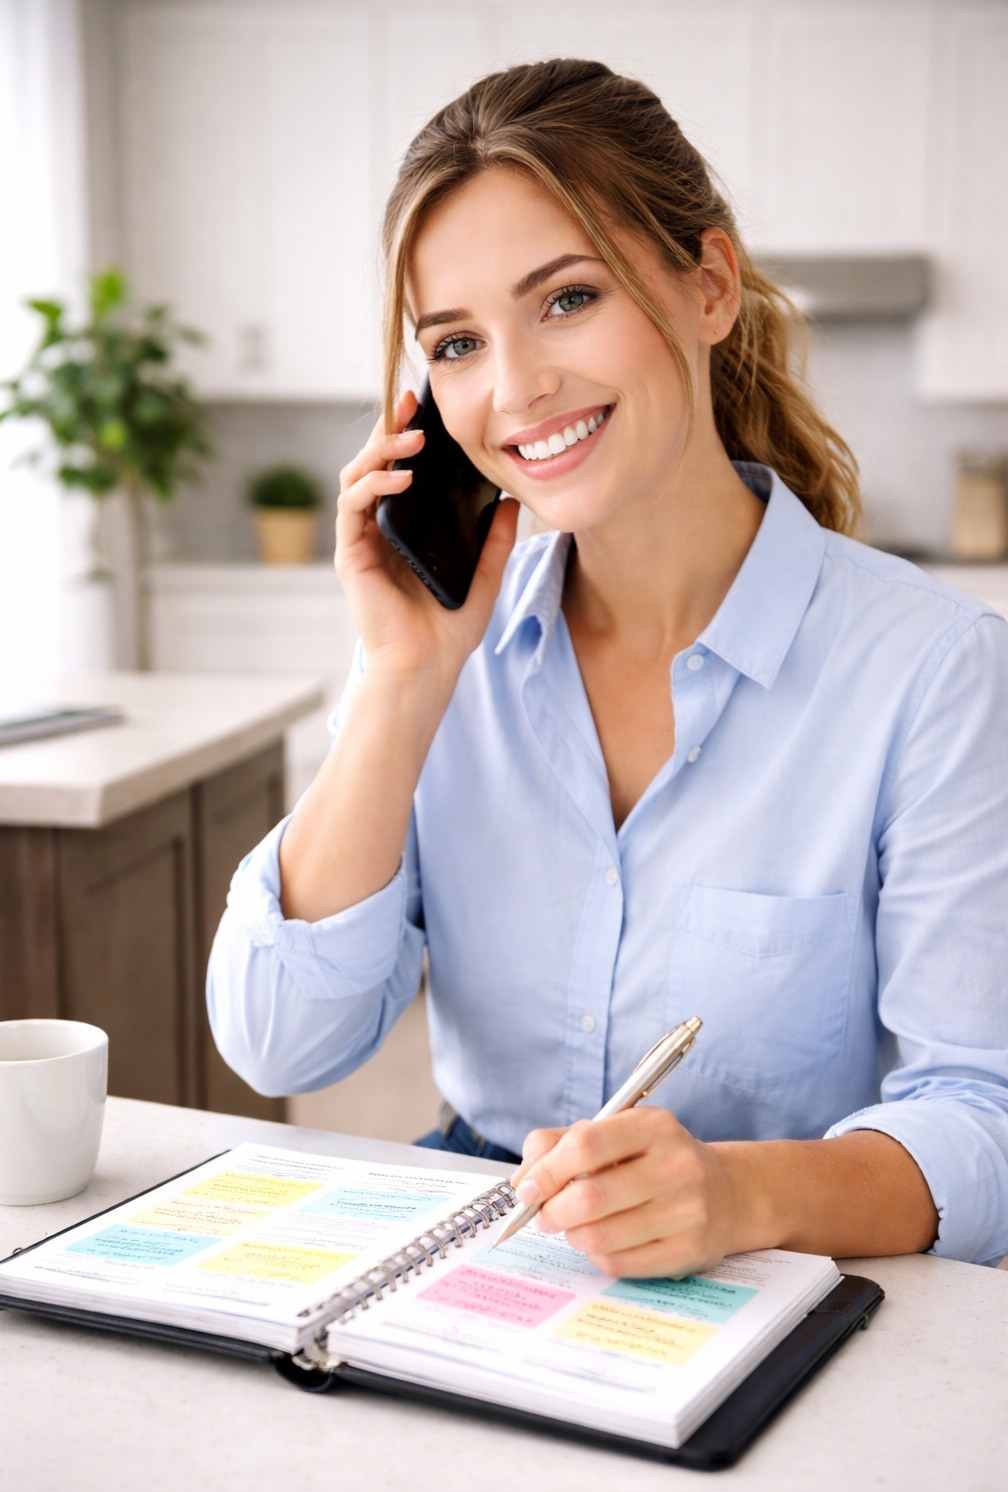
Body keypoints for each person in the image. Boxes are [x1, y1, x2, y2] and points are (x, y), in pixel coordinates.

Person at [207, 59, 1008, 1275]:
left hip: (779, 1283)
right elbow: (277, 1041)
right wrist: (403, 678)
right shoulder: (442, 652)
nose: (516, 387)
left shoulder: (933, 674)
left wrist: (737, 1196)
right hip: (481, 1268)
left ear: (709, 289)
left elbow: (984, 1124)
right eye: (458, 342)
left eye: (567, 299)